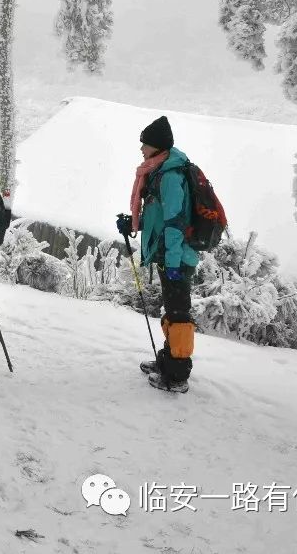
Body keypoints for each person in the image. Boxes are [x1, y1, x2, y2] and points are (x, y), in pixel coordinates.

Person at [117, 115, 198, 392]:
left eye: (145, 145)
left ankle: (177, 376)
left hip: (176, 256)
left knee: (179, 315)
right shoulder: (159, 170)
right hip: (168, 254)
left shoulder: (171, 176)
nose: (141, 149)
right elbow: (159, 213)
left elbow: (175, 222)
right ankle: (168, 360)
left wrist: (174, 263)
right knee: (173, 310)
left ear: (158, 147)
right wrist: (132, 223)